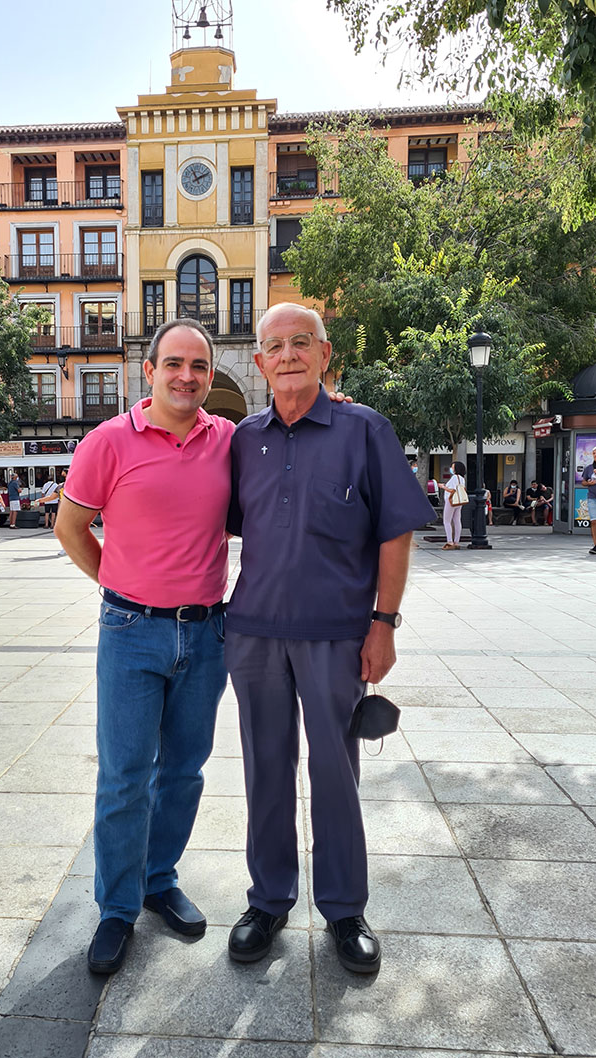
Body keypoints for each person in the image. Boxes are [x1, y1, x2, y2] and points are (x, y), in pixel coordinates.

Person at [224, 304, 434, 975]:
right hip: (254, 631)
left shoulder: (364, 429)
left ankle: (344, 909)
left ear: (324, 354)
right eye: (275, 347)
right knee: (264, 770)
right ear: (259, 363)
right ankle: (269, 899)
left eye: (301, 343)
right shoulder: (241, 439)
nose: (287, 355)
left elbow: (394, 532)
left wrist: (385, 623)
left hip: (337, 637)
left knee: (335, 773)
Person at [55, 318, 235, 976]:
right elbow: (71, 527)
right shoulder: (108, 442)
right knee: (125, 776)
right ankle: (116, 908)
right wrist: (120, 582)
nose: (187, 375)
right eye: (174, 364)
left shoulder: (230, 444)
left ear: (211, 377)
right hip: (131, 632)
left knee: (184, 771)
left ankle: (159, 879)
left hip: (208, 631)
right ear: (150, 371)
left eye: (199, 366)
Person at [441, 461, 467, 550]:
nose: (451, 469)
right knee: (457, 520)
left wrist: (443, 486)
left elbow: (452, 490)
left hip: (451, 501)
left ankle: (449, 541)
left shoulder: (454, 478)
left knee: (447, 521)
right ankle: (456, 541)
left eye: (452, 467)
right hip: (459, 501)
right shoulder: (462, 478)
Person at [582, 445, 596, 554]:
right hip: (592, 497)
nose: (595, 455)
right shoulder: (589, 468)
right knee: (594, 521)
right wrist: (589, 483)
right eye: (594, 453)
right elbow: (583, 482)